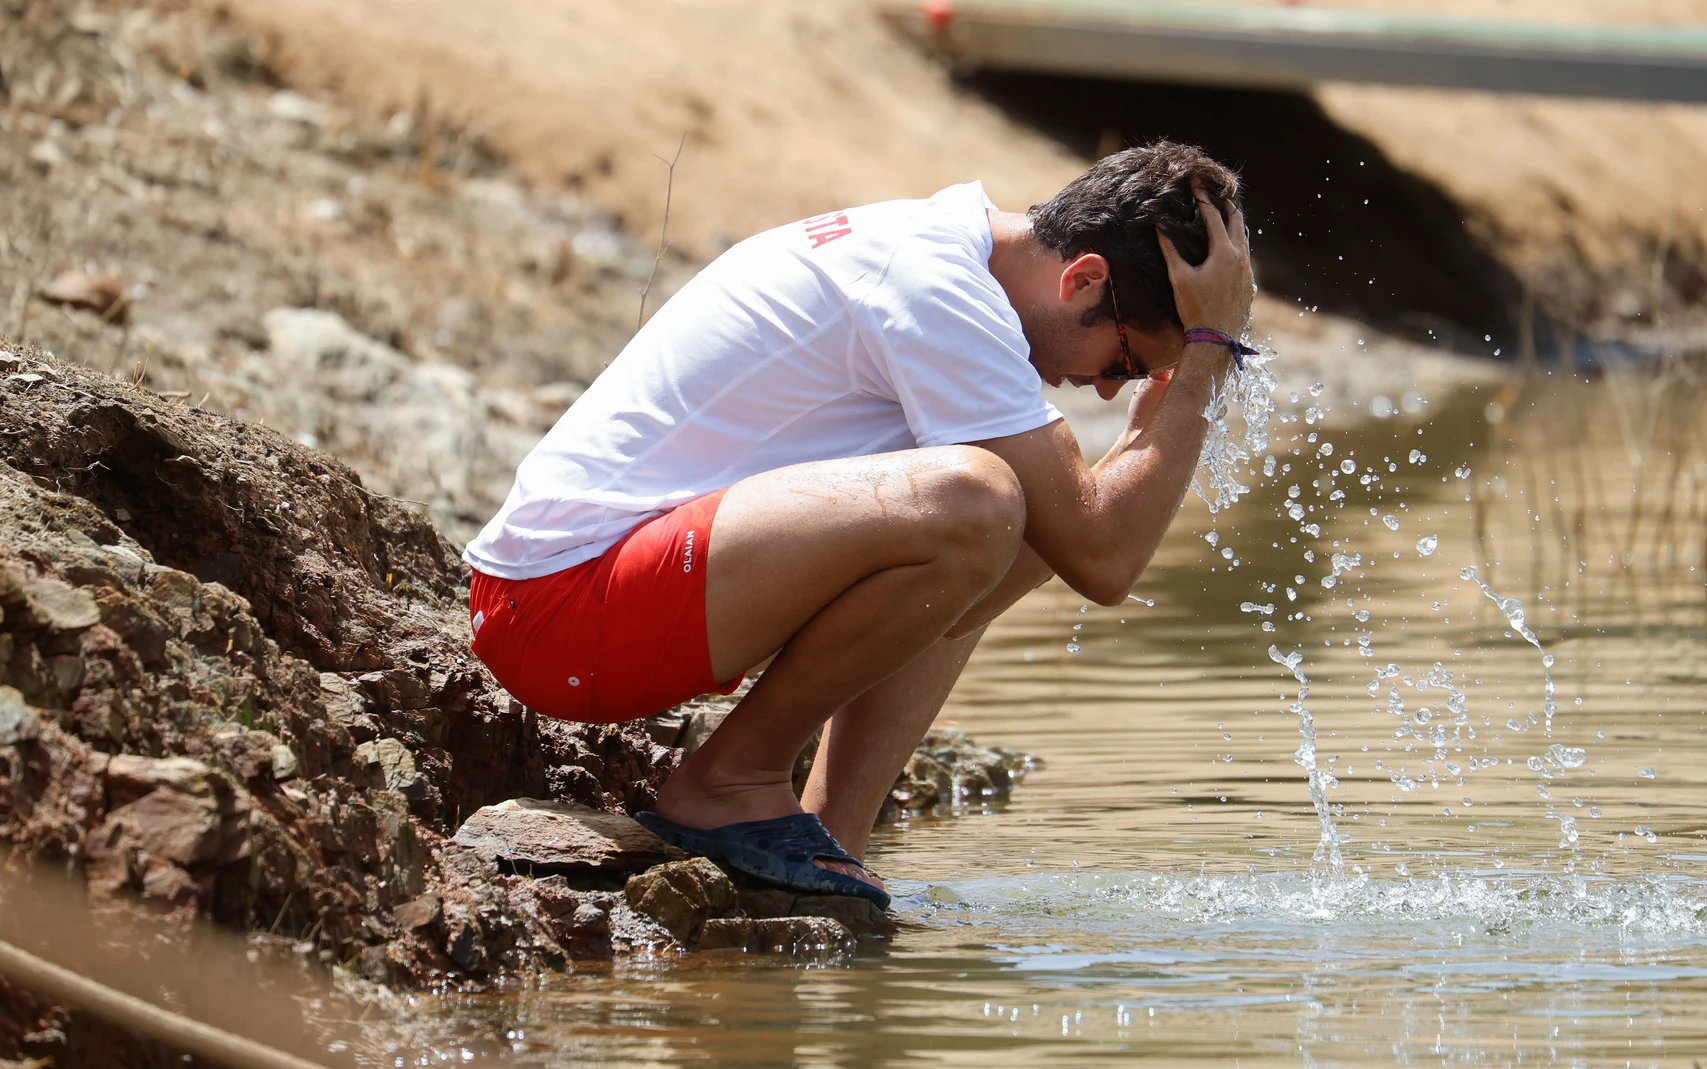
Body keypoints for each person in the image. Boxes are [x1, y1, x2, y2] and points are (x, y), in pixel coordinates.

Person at [463, 141, 1255, 909]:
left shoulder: (950, 254)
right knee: (980, 503)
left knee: (1019, 513)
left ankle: (830, 837)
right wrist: (1203, 361)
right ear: (1083, 280)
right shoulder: (938, 287)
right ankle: (726, 784)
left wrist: (1164, 396)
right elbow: (1104, 558)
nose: (1111, 391)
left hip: (609, 596)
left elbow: (1079, 532)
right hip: (558, 614)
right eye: (1123, 362)